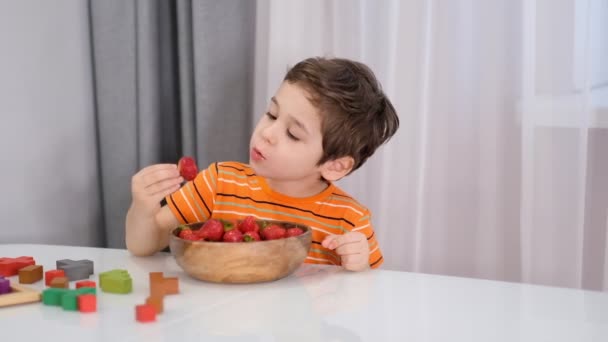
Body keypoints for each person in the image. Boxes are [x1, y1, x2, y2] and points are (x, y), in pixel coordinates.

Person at [125, 57, 399, 271]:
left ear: (334, 166)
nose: (267, 133)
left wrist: (359, 266)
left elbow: (371, 294)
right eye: (272, 114)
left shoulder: (348, 220)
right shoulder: (219, 182)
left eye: (293, 134)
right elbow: (143, 245)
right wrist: (142, 207)